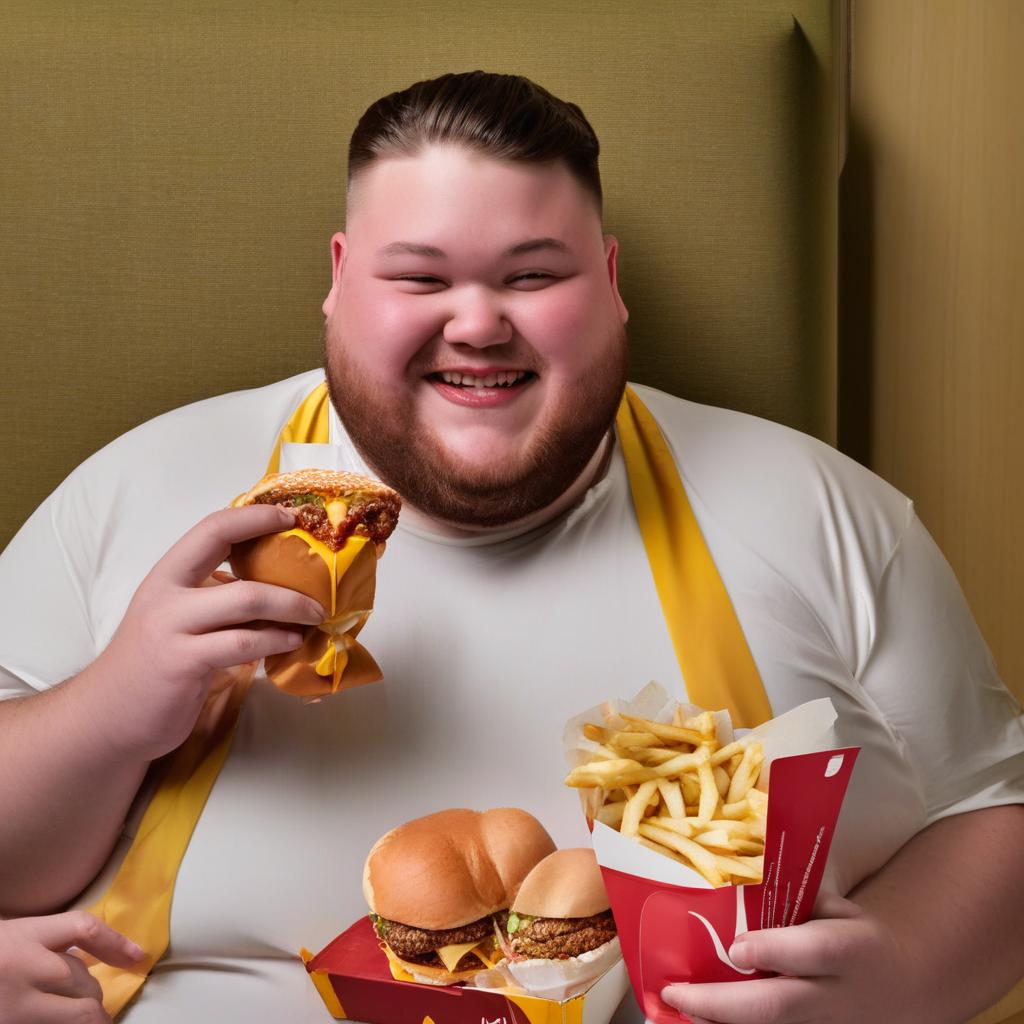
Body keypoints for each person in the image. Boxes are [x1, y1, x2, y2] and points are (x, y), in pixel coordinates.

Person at [0, 71, 1022, 1024]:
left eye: (533, 276)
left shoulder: (815, 509)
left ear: (610, 280)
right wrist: (111, 708)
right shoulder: (145, 485)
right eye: (421, 276)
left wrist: (902, 972)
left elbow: (996, 806)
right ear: (341, 278)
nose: (478, 323)